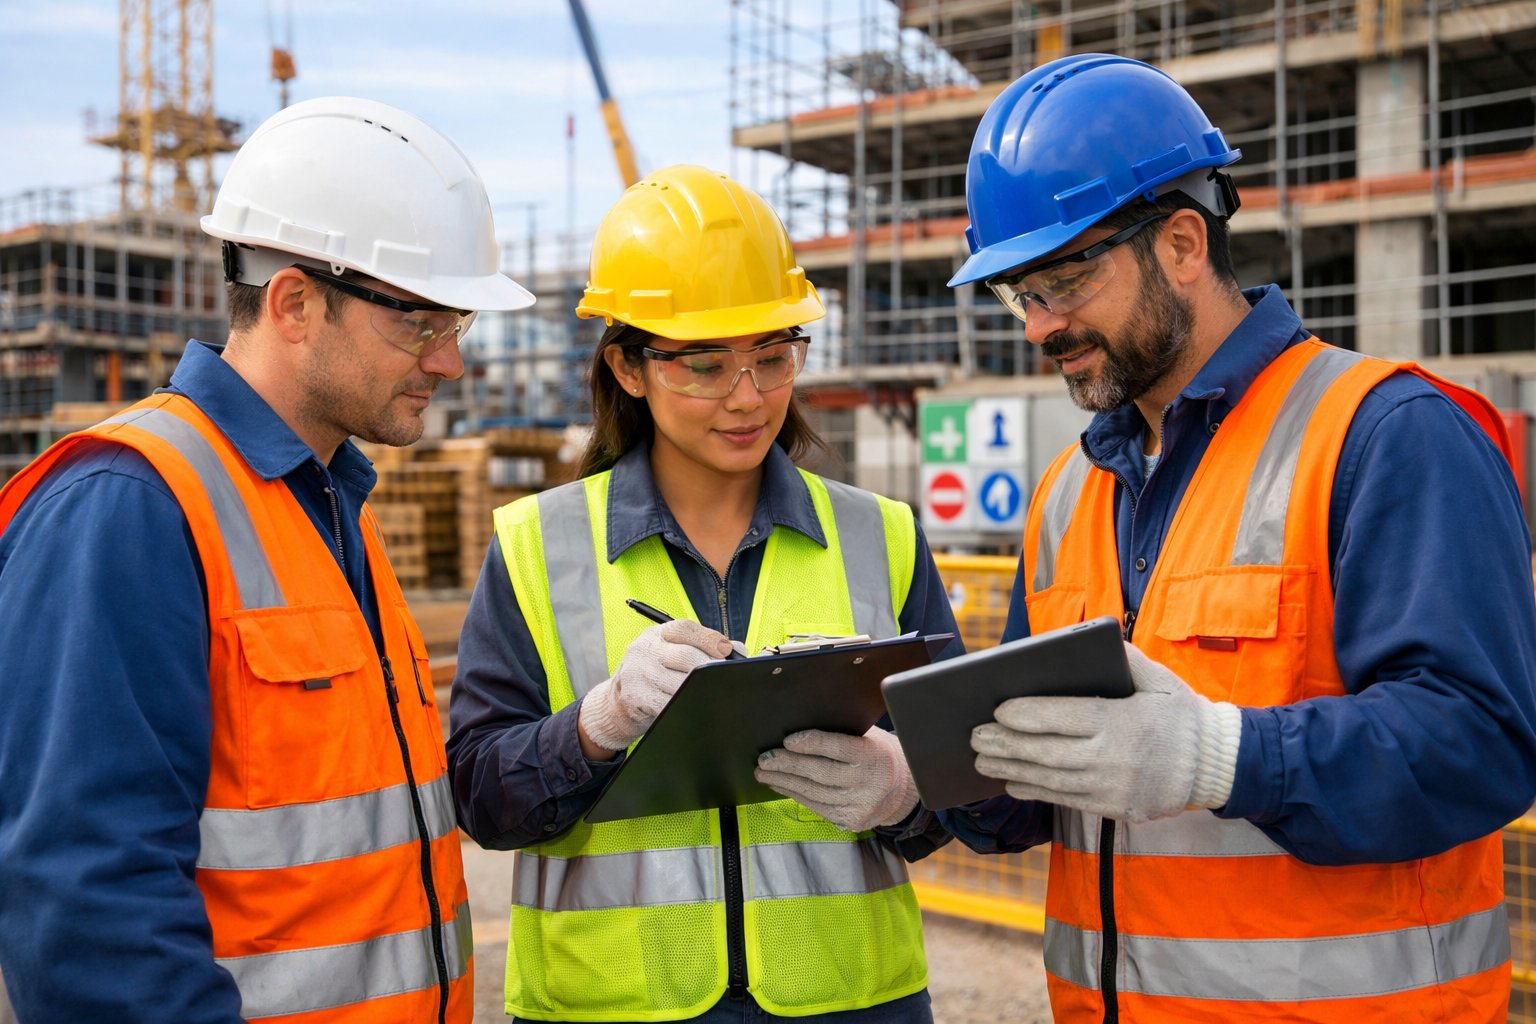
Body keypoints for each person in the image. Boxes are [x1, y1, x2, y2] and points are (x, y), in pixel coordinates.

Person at [940, 53, 1536, 1021]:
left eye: (1065, 278)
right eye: (1021, 294)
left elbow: (1482, 744)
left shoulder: (1386, 433)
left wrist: (1225, 758)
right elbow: (1042, 778)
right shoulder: (1067, 491)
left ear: (1182, 243)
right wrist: (920, 781)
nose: (1042, 325)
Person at [0, 96, 534, 1022]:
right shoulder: (129, 508)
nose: (450, 363)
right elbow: (87, 910)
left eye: (458, 326)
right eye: (420, 322)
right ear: (294, 302)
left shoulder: (331, 507)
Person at [448, 164, 965, 1023]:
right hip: (610, 1004)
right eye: (705, 364)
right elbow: (481, 796)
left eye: (773, 356)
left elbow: (965, 779)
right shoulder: (538, 547)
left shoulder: (883, 537)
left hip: (850, 999)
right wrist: (597, 724)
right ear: (628, 366)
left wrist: (911, 788)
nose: (748, 397)